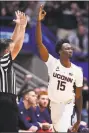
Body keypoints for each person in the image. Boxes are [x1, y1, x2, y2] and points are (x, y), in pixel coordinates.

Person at [35, 5, 83, 132]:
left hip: (67, 104)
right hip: (53, 104)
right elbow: (39, 44)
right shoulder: (52, 63)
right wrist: (38, 21)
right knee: (56, 129)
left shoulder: (77, 70)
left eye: (71, 48)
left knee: (62, 129)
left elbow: (78, 96)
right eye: (67, 48)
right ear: (60, 51)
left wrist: (78, 119)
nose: (70, 49)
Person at [0, 10, 27, 132]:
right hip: (4, 99)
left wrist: (22, 27)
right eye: (8, 49)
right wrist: (19, 26)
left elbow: (16, 45)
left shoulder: (4, 60)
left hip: (7, 99)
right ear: (5, 52)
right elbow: (14, 44)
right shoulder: (2, 61)